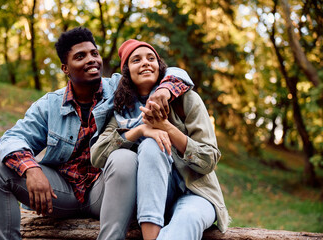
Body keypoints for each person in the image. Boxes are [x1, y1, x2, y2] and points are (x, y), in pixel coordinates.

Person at [0, 27, 194, 240]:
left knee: (124, 157)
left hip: (106, 192)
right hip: (59, 192)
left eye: (94, 54)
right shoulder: (49, 105)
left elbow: (174, 73)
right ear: (65, 68)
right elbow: (12, 138)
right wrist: (31, 169)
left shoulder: (119, 87)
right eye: (80, 56)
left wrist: (164, 91)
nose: (91, 60)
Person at [91, 39, 230, 240]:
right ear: (127, 72)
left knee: (188, 218)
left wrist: (165, 127)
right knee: (151, 143)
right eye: (136, 60)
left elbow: (209, 160)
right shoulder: (122, 111)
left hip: (196, 193)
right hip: (154, 200)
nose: (145, 63)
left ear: (159, 66)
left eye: (151, 58)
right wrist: (141, 130)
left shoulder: (186, 100)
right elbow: (97, 156)